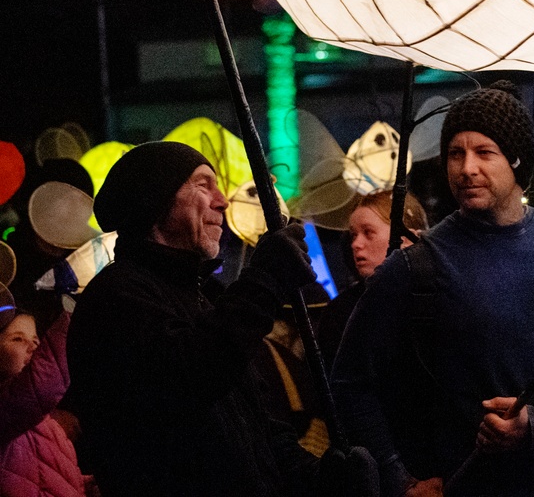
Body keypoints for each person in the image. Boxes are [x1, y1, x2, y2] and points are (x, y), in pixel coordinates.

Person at [332, 80, 534, 497]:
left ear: (516, 159)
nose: (466, 168)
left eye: (484, 152)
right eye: (455, 153)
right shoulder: (417, 266)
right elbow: (350, 381)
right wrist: (399, 480)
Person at [66, 141, 377, 497]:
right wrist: (264, 281)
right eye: (203, 185)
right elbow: (189, 376)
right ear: (156, 200)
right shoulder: (116, 296)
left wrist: (321, 477)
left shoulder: (204, 298)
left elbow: (262, 432)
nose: (222, 201)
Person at [317, 190, 428, 372]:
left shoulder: (441, 295)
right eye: (353, 235)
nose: (356, 244)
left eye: (368, 233)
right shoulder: (341, 313)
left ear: (407, 238)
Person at [0, 307, 95, 497]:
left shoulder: (51, 426)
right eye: (18, 339)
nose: (33, 347)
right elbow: (43, 385)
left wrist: (88, 485)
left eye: (36, 341)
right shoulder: (6, 409)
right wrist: (77, 314)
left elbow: (56, 477)